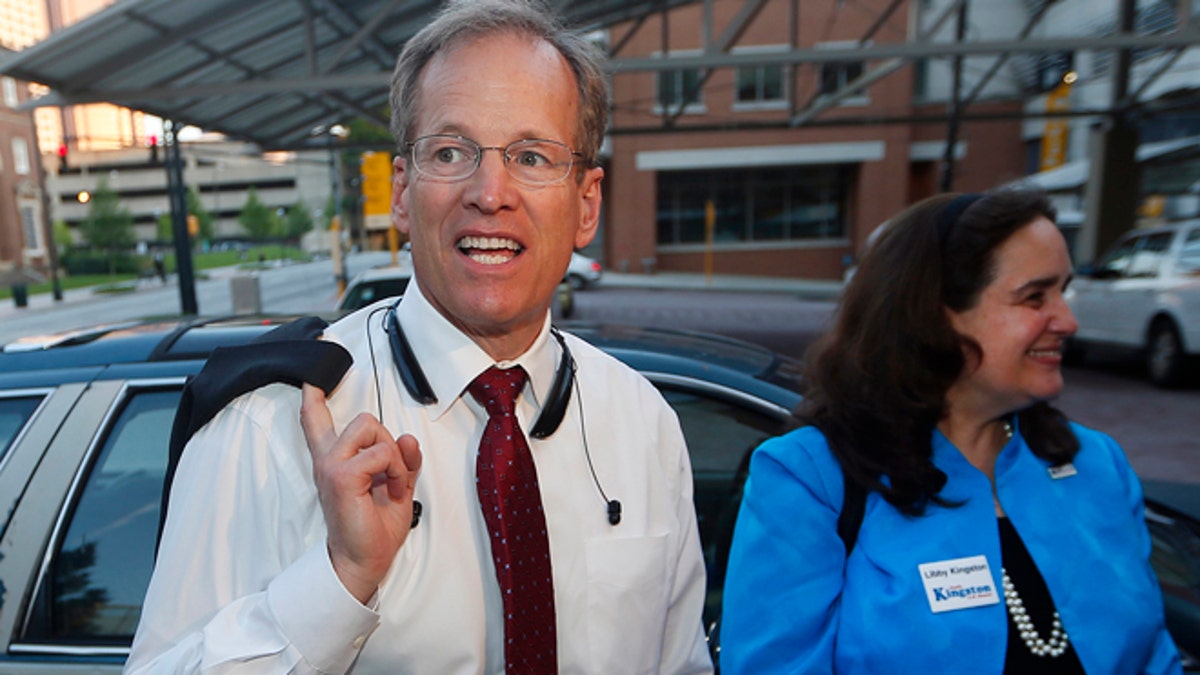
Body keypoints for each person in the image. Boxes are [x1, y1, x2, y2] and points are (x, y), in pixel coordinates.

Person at [127, 1, 712, 672]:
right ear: (403, 192)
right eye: (451, 151)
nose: (490, 192)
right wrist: (340, 578)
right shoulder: (271, 424)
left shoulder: (644, 422)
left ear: (586, 203)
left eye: (531, 155)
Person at [720, 189, 1181, 674]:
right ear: (936, 313)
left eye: (1064, 291)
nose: (1067, 320)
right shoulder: (812, 479)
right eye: (1034, 297)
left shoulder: (1096, 464)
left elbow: (1155, 658)